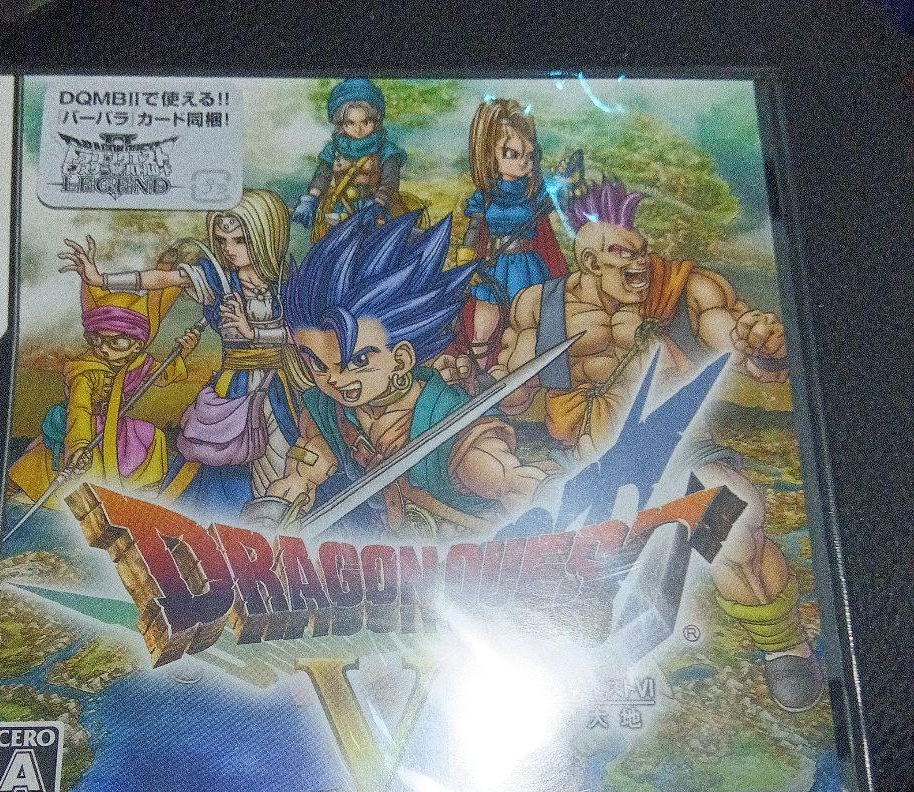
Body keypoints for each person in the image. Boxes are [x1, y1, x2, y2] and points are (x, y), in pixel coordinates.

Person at [451, 176, 823, 711]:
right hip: (584, 467)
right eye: (621, 255)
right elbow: (513, 392)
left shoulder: (684, 289)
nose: (639, 264)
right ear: (588, 262)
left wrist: (760, 345)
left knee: (735, 521)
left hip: (681, 456)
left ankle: (781, 643)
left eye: (641, 251)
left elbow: (733, 340)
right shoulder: (540, 307)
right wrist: (478, 380)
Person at [242, 211, 553, 538]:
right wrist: (279, 508)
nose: (334, 379)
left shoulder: (446, 418)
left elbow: (502, 475)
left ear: (401, 359)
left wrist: (521, 487)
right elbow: (302, 474)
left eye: (358, 361)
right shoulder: (329, 412)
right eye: (318, 365)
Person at [59, 189, 306, 521]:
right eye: (223, 241)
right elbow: (162, 278)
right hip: (233, 387)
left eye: (240, 240)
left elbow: (301, 336)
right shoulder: (217, 278)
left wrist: (254, 333)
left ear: (266, 235)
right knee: (218, 459)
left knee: (282, 460)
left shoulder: (287, 281)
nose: (229, 249)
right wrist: (101, 279)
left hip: (278, 387)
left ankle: (278, 527)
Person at [7, 277, 199, 504]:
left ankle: (141, 490)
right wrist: (79, 445)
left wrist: (181, 354)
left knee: (153, 436)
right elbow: (79, 409)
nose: (105, 350)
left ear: (137, 345)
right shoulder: (86, 371)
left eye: (116, 342)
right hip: (83, 426)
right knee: (86, 461)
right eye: (97, 340)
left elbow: (162, 375)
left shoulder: (137, 363)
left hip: (114, 424)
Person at [452, 98, 567, 381]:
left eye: (529, 156)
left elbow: (553, 221)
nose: (523, 163)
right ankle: (478, 377)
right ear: (490, 154)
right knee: (482, 327)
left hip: (528, 267)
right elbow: (474, 231)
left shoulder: (535, 194)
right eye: (512, 154)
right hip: (493, 267)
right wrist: (466, 264)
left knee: (525, 326)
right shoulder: (485, 197)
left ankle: (521, 376)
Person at [291, 78, 415, 242]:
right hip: (340, 211)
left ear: (376, 120)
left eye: (365, 122)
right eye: (350, 123)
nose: (358, 129)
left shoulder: (386, 150)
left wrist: (378, 205)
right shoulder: (333, 149)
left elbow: (390, 182)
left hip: (376, 210)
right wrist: (310, 200)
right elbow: (322, 176)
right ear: (340, 123)